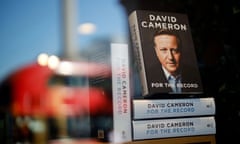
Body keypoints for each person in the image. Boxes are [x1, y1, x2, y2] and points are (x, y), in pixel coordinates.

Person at [151, 29, 202, 94]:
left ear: (180, 50)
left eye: (174, 50)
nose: (170, 57)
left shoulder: (195, 75)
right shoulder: (148, 77)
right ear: (156, 51)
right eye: (164, 50)